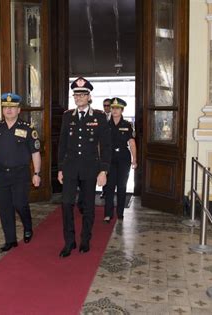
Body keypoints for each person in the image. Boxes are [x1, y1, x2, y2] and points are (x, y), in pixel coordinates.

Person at [0, 93, 42, 253]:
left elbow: (35, 152)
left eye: (12, 107)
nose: (8, 110)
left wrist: (37, 173)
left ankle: (28, 227)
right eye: (6, 107)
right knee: (5, 207)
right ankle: (10, 240)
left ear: (18, 110)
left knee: (20, 203)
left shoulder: (27, 128)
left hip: (20, 173)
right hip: (1, 173)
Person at [57, 77, 111, 258]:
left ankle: (85, 239)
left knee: (88, 206)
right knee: (66, 204)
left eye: (82, 94)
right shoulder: (67, 116)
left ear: (89, 96)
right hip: (71, 168)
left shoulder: (99, 117)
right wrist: (60, 168)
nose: (78, 97)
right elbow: (62, 144)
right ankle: (69, 241)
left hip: (90, 168)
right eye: (76, 94)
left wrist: (103, 170)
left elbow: (106, 145)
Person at [102, 97, 137, 222]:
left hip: (123, 158)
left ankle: (120, 213)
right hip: (109, 158)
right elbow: (101, 144)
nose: (115, 110)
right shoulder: (105, 124)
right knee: (109, 186)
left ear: (122, 110)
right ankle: (108, 214)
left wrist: (134, 159)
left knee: (122, 186)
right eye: (113, 108)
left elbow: (132, 143)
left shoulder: (127, 125)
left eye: (117, 108)